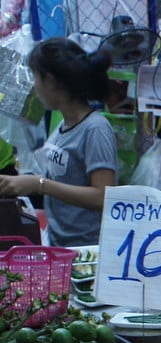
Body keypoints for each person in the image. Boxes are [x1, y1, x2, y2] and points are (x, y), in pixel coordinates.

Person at [0, 37, 118, 247]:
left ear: (51, 80)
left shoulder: (95, 129)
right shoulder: (62, 126)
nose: (34, 86)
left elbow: (103, 196)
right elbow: (63, 180)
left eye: (36, 77)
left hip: (87, 250)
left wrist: (39, 185)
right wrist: (23, 184)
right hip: (61, 245)